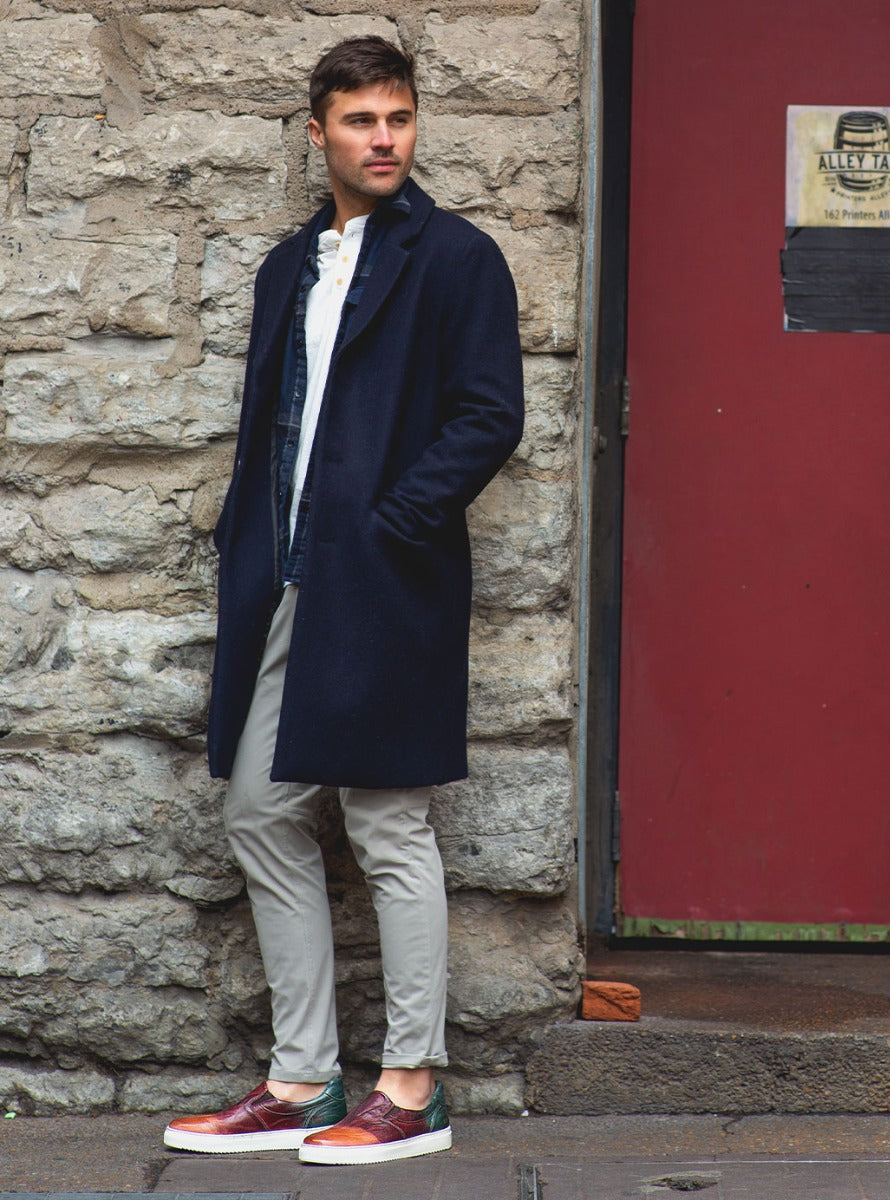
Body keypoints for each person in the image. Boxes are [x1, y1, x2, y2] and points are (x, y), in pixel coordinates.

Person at [163, 35, 524, 1166]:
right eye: (360, 121)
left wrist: (390, 519)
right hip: (283, 571)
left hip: (384, 573)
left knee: (384, 819)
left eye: (398, 119)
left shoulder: (456, 258)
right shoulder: (288, 268)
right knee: (261, 809)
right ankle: (303, 1077)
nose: (382, 140)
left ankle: (408, 1087)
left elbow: (488, 414)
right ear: (314, 131)